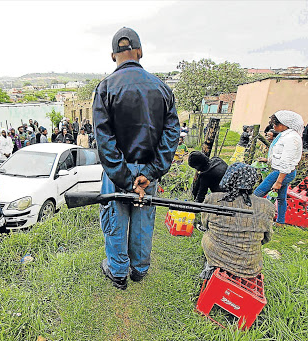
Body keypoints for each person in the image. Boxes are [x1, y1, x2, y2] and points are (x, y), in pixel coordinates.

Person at [93, 27, 179, 290]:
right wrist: (151, 172)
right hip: (148, 173)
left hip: (117, 172)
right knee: (143, 221)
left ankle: (118, 272)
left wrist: (124, 177)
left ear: (112, 56)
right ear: (140, 52)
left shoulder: (105, 87)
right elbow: (171, 133)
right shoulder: (162, 88)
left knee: (115, 220)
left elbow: (104, 139)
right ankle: (139, 269)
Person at [200, 163, 274, 279]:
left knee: (207, 234)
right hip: (250, 265)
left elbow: (205, 224)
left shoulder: (213, 199)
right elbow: (266, 238)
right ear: (252, 181)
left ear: (229, 178)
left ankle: (212, 266)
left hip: (217, 255)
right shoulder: (267, 206)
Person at [254, 110, 303, 227]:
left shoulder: (291, 138)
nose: (273, 127)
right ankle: (280, 222)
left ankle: (250, 218)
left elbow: (287, 161)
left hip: (282, 172)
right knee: (281, 198)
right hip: (283, 171)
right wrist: (268, 160)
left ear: (284, 124)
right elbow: (281, 155)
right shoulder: (285, 135)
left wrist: (278, 182)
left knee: (257, 194)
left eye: (275, 124)